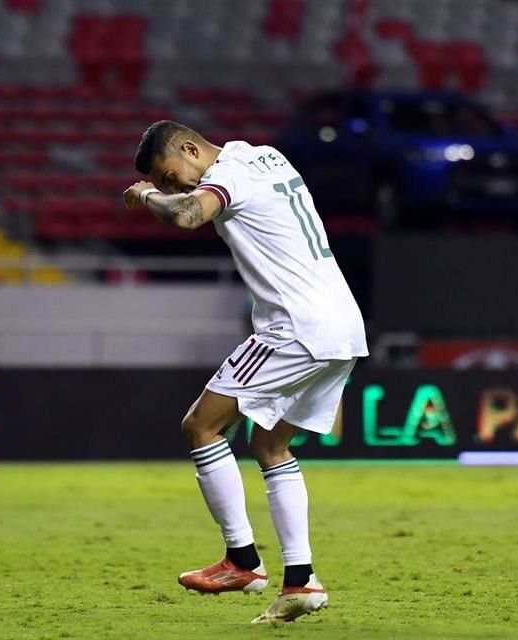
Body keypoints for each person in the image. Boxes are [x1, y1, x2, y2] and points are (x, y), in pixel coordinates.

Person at [123, 121, 368, 624]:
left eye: (171, 175)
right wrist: (162, 189)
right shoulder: (264, 157)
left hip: (294, 327)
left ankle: (241, 561)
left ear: (191, 149)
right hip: (342, 325)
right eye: (164, 184)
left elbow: (190, 215)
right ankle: (300, 581)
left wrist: (148, 197)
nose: (174, 188)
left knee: (201, 425)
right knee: (272, 446)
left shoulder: (229, 174)